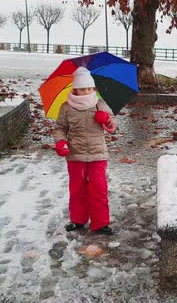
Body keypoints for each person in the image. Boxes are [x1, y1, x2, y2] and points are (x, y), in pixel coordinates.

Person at [54, 66, 117, 234]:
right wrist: (61, 142)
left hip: (98, 154)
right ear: (75, 89)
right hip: (75, 155)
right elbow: (60, 128)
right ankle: (78, 219)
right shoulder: (66, 108)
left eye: (89, 88)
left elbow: (112, 126)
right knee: (77, 188)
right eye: (82, 89)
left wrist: (106, 121)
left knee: (99, 188)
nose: (86, 92)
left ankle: (100, 223)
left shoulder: (100, 104)